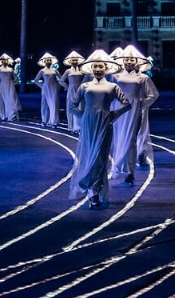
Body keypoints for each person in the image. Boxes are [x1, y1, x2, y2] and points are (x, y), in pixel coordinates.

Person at [69, 49, 131, 209]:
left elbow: (127, 104)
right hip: (88, 125)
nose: (98, 69)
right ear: (91, 68)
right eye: (95, 66)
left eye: (101, 67)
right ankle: (92, 191)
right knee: (89, 155)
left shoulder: (112, 87)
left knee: (101, 157)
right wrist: (82, 117)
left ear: (106, 68)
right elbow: (72, 105)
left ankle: (95, 190)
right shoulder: (85, 86)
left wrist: (113, 115)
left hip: (105, 124)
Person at [110, 44, 159, 186]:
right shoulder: (115, 76)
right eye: (127, 60)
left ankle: (130, 172)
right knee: (118, 138)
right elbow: (110, 93)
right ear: (123, 61)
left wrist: (140, 105)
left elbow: (153, 94)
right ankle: (119, 166)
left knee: (131, 140)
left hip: (133, 113)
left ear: (137, 62)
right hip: (118, 111)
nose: (129, 62)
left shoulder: (143, 78)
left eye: (132, 60)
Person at [58, 50, 86, 134]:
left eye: (76, 60)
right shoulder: (68, 71)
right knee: (72, 108)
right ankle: (73, 127)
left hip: (80, 90)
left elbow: (85, 80)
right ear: (70, 61)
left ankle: (80, 127)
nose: (74, 62)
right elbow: (61, 81)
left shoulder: (81, 70)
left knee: (81, 107)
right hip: (71, 91)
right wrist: (67, 87)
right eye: (73, 60)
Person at [33, 52, 62, 128]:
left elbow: (61, 79)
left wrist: (58, 86)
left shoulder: (55, 70)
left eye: (50, 60)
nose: (49, 61)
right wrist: (42, 86)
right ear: (44, 62)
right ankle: (44, 121)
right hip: (45, 89)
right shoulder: (42, 71)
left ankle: (54, 122)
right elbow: (36, 80)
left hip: (53, 88)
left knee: (54, 104)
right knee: (44, 105)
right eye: (47, 60)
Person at [0, 53, 21, 122]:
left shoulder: (10, 69)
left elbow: (16, 77)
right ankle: (4, 115)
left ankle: (12, 115)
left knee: (12, 99)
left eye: (6, 60)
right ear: (1, 61)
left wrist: (13, 82)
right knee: (4, 99)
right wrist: (0, 83)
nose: (5, 62)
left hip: (10, 85)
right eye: (4, 60)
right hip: (3, 86)